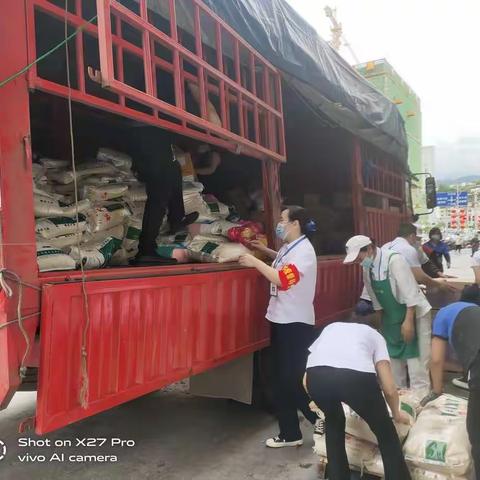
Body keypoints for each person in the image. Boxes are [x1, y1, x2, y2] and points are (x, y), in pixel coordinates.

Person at [239, 206, 323, 447]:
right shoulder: (291, 247)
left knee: (292, 380)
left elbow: (283, 279)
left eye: (283, 220)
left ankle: (320, 418)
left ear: (295, 223)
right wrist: (264, 251)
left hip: (294, 323)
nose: (279, 223)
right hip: (281, 318)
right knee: (281, 379)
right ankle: (291, 433)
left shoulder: (305, 252)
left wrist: (254, 262)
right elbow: (282, 261)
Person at [305, 321, 411, 480]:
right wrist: (396, 414)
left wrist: (317, 400)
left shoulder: (331, 328)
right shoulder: (376, 336)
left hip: (316, 377)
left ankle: (338, 476)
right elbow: (389, 388)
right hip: (356, 380)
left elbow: (305, 378)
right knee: (385, 432)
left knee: (334, 421)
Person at [344, 235, 430, 391]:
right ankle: (401, 402)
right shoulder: (366, 267)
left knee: (416, 363)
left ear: (369, 248)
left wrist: (408, 321)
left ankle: (420, 398)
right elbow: (375, 297)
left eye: (359, 257)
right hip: (390, 316)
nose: (358, 262)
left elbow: (410, 293)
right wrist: (381, 323)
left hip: (413, 313)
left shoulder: (394, 260)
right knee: (394, 362)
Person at [421, 284, 480, 478]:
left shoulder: (446, 312)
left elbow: (436, 359)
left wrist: (436, 391)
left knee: (476, 432)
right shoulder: (476, 315)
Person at [130, 127, 198, 265]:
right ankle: (146, 249)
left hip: (155, 147)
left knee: (173, 169)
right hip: (151, 145)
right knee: (158, 196)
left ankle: (177, 218)